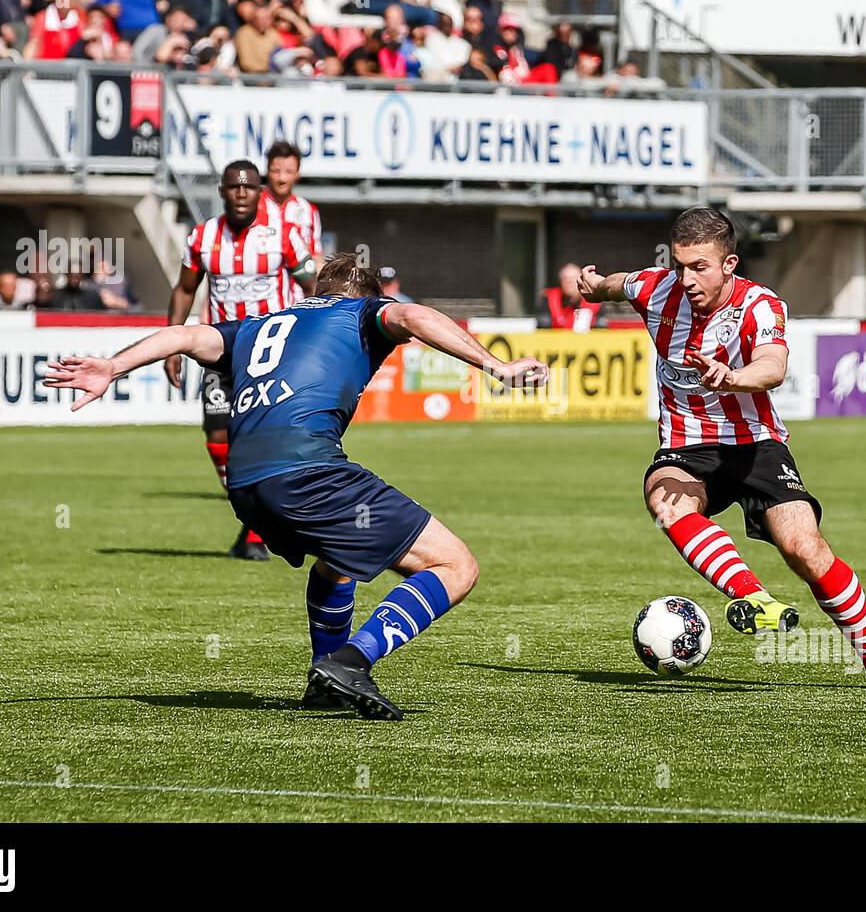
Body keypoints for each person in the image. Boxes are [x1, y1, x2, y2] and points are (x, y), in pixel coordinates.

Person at [45, 253, 549, 719]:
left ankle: (325, 680)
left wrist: (112, 365)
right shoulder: (360, 313)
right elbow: (414, 316)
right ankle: (352, 661)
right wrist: (498, 367)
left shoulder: (257, 326)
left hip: (245, 487)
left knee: (337, 560)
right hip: (306, 473)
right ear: (367, 296)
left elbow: (185, 335)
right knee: (456, 565)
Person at [578, 207, 866, 692]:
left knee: (806, 551)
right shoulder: (656, 290)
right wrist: (594, 286)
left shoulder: (759, 305)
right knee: (665, 499)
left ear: (729, 264)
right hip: (688, 444)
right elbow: (618, 284)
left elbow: (773, 366)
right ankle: (753, 597)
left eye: (701, 267)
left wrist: (734, 377)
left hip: (757, 445)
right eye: (680, 265)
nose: (688, 278)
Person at [165, 159, 312, 561]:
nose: (242, 193)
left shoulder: (285, 235)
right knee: (217, 437)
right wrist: (174, 342)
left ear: (260, 190)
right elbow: (184, 290)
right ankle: (255, 518)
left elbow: (314, 285)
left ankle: (257, 530)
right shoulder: (201, 237)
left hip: (272, 354)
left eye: (249, 187)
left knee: (265, 443)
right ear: (223, 192)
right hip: (220, 354)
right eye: (234, 187)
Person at [262, 139, 322, 281]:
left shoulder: (308, 210)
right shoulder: (251, 207)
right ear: (267, 172)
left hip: (299, 296)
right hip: (262, 295)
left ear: (297, 175)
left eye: (289, 171)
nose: (282, 178)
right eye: (276, 171)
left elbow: (316, 256)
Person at [538, 262, 600, 329]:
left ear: (582, 282)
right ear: (560, 282)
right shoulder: (549, 299)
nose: (570, 282)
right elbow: (542, 324)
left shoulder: (595, 300)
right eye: (566, 278)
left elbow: (603, 326)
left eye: (574, 278)